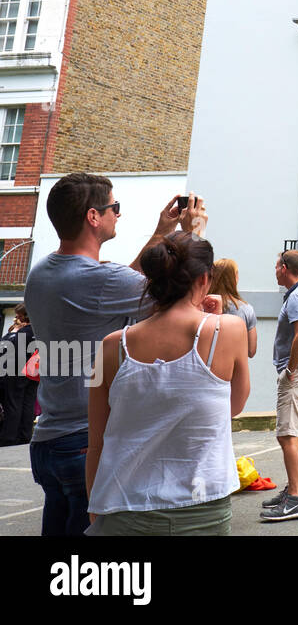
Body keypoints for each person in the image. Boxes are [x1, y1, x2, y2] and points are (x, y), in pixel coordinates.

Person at [23, 173, 202, 536]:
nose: (117, 214)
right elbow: (176, 296)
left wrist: (162, 234)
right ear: (93, 216)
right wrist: (190, 236)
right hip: (85, 440)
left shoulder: (41, 272)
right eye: (114, 208)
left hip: (49, 441)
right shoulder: (101, 280)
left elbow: (125, 283)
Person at [85, 233, 249, 535]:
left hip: (123, 505)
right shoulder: (230, 329)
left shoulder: (110, 347)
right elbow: (234, 406)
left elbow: (96, 442)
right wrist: (213, 318)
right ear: (205, 278)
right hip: (203, 506)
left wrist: (94, 503)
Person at [260, 249, 298, 522]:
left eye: (275, 265)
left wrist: (289, 370)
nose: (274, 270)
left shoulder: (296, 297)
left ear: (284, 268)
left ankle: (295, 498)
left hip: (297, 375)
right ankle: (297, 489)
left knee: (286, 435)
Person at [0, 306, 38, 445]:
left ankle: (9, 436)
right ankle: (25, 434)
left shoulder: (23, 332)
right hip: (33, 372)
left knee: (13, 404)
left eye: (19, 315)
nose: (17, 317)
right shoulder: (38, 330)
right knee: (28, 404)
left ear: (25, 315)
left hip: (16, 371)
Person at [210, 259, 257, 358]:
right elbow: (251, 351)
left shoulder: (203, 305)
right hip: (234, 369)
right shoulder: (245, 309)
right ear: (235, 277)